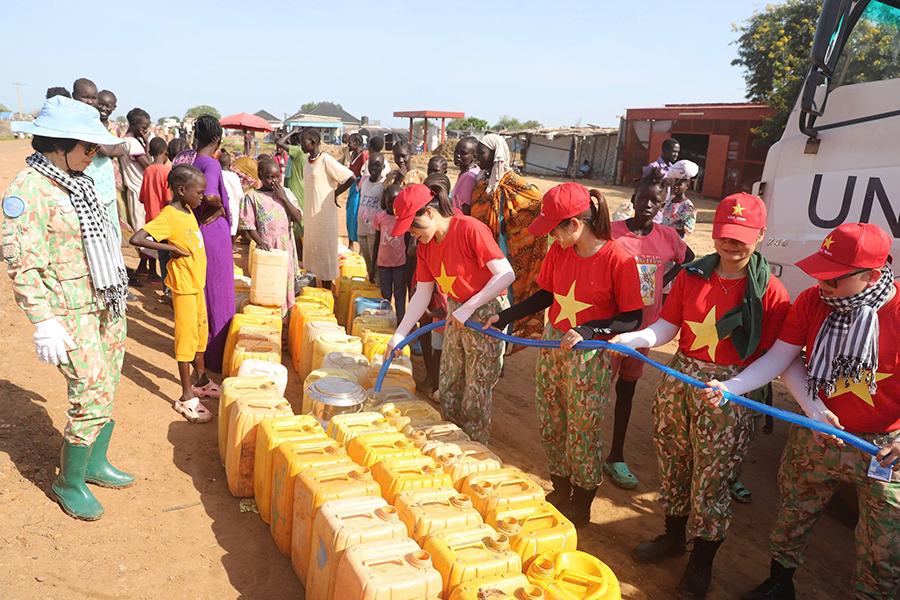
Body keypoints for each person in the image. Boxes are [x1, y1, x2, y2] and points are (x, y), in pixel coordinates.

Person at [703, 223, 900, 600]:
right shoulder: (813, 301)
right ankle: (779, 583)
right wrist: (730, 389)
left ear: (872, 275)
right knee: (795, 510)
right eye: (819, 272)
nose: (822, 284)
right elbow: (782, 358)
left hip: (884, 447)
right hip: (818, 430)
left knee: (885, 542)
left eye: (833, 278)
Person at [614, 193, 791, 599]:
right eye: (726, 233)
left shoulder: (771, 293)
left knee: (712, 479)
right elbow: (666, 327)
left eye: (743, 236)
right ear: (715, 232)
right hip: (682, 378)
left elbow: (776, 356)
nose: (731, 243)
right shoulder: (693, 275)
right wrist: (634, 337)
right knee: (674, 462)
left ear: (761, 236)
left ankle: (700, 564)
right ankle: (673, 537)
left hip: (731, 389)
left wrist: (732, 389)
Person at [485, 182, 644, 525]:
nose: (551, 238)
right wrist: (506, 316)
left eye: (554, 230)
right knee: (552, 418)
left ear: (574, 224)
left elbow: (633, 316)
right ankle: (560, 487)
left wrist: (591, 330)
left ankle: (582, 500)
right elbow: (547, 295)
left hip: (588, 355)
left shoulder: (619, 259)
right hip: (554, 345)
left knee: (583, 428)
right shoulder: (560, 252)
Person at [4, 96, 131, 520]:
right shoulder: (29, 188)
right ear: (60, 144)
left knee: (109, 377)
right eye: (88, 147)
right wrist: (44, 322)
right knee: (90, 389)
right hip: (68, 310)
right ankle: (68, 480)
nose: (94, 154)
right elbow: (21, 261)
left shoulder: (76, 179)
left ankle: (94, 463)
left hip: (103, 298)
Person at [387, 184, 515, 445]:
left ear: (431, 214)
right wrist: (400, 334)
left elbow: (506, 274)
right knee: (448, 387)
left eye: (413, 225)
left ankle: (474, 454)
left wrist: (470, 307)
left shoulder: (469, 229)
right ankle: (451, 447)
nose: (412, 233)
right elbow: (422, 294)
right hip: (456, 311)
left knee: (475, 394)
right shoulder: (425, 246)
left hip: (485, 312)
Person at [605, 168, 693, 490]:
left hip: (646, 330)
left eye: (654, 201)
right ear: (633, 199)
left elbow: (688, 260)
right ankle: (582, 451)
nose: (647, 205)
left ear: (662, 206)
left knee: (626, 391)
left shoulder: (668, 237)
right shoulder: (611, 232)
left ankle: (615, 455)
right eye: (642, 199)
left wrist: (664, 282)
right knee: (596, 392)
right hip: (609, 328)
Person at [130, 165, 214, 423]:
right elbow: (137, 238)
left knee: (200, 336)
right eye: (199, 192)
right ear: (181, 190)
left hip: (196, 286)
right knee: (186, 341)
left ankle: (201, 381)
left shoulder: (188, 210)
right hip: (184, 289)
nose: (202, 196)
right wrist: (170, 249)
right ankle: (186, 395)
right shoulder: (168, 215)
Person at [470, 133, 547, 343]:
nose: (477, 157)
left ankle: (502, 342)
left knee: (506, 294)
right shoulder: (481, 180)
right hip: (484, 247)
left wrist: (512, 220)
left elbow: (535, 200)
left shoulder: (510, 179)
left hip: (506, 246)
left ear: (495, 154)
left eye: (481, 152)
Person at [189, 114, 235, 374]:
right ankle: (216, 355)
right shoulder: (213, 164)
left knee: (205, 292)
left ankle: (202, 350)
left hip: (199, 230)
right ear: (217, 139)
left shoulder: (194, 161)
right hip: (213, 232)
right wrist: (218, 207)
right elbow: (209, 194)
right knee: (220, 293)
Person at [239, 159, 304, 318]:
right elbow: (248, 225)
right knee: (267, 282)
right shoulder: (252, 197)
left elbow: (297, 217)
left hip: (284, 247)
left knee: (284, 281)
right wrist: (260, 241)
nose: (274, 181)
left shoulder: (286, 193)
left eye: (277, 176)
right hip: (266, 247)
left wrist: (283, 198)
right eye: (269, 177)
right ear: (260, 176)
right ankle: (269, 318)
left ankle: (284, 319)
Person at [299, 128, 356, 288]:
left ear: (313, 142)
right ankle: (313, 293)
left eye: (304, 142)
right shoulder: (308, 160)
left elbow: (350, 177)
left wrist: (334, 194)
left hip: (324, 216)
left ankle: (327, 292)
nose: (301, 145)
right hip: (311, 216)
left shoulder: (326, 160)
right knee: (311, 255)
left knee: (324, 255)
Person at [73, 79, 125, 245]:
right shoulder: (82, 123)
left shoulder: (96, 123)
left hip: (105, 184)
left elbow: (121, 150)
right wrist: (113, 148)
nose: (90, 102)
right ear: (74, 96)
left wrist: (114, 149)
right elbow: (109, 150)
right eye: (85, 97)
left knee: (111, 230)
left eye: (93, 98)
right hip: (90, 184)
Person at [136, 137, 172, 284]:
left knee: (161, 255)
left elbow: (142, 197)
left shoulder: (147, 171)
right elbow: (169, 198)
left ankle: (165, 288)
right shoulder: (167, 171)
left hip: (152, 219)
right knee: (169, 256)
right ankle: (169, 288)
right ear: (166, 153)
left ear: (149, 152)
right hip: (166, 220)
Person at [372, 185, 408, 321]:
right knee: (385, 297)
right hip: (383, 265)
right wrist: (372, 266)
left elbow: (408, 241)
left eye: (396, 200)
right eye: (389, 200)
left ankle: (400, 325)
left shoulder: (404, 219)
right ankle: (386, 323)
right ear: (385, 200)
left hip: (400, 265)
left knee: (400, 297)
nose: (392, 204)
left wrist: (408, 268)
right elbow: (376, 241)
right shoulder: (380, 217)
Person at [120, 108, 152, 234]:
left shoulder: (128, 140)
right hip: (137, 188)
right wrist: (147, 143)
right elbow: (149, 166)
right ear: (133, 124)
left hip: (137, 188)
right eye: (143, 128)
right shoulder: (132, 143)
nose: (145, 131)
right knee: (141, 226)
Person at [357, 152, 387, 282]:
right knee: (368, 264)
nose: (374, 168)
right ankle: (371, 289)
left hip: (374, 232)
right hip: (361, 228)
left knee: (376, 265)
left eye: (377, 165)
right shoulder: (364, 180)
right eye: (371, 165)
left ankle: (378, 293)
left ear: (383, 166)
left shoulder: (384, 184)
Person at [644, 137, 680, 225]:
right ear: (665, 151)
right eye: (674, 151)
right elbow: (643, 188)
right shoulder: (653, 168)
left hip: (664, 212)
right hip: (652, 212)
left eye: (678, 152)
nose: (676, 155)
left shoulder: (673, 169)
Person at [661, 160, 699, 239]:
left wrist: (668, 229)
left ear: (687, 186)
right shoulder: (670, 199)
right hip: (663, 238)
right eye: (674, 184)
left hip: (676, 241)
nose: (676, 187)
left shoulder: (688, 205)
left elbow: (688, 229)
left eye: (679, 185)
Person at [345, 133, 369, 251]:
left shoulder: (364, 155)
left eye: (350, 142)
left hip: (360, 188)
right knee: (350, 214)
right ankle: (350, 242)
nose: (348, 144)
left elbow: (366, 172)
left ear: (357, 143)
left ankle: (360, 246)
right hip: (352, 186)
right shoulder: (353, 154)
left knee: (357, 214)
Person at [218, 151, 244, 239]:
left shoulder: (217, 174)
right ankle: (233, 244)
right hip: (233, 203)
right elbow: (239, 193)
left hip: (220, 203)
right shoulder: (234, 176)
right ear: (230, 164)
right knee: (233, 224)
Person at [452, 137, 481, 216]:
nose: (457, 155)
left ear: (474, 157)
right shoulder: (475, 170)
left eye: (463, 153)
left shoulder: (468, 177)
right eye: (456, 151)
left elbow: (465, 210)